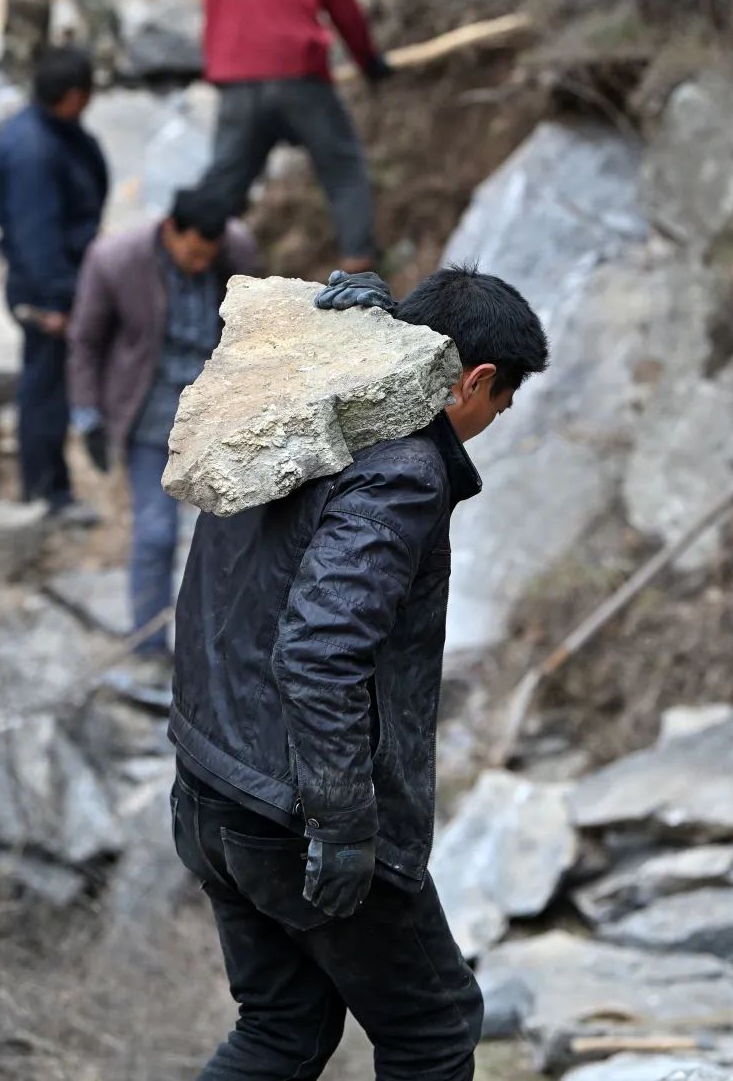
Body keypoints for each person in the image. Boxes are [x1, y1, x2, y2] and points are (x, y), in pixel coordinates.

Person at [169, 264, 549, 1080]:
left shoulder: (302, 401)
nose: (499, 416)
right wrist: (342, 825)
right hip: (292, 814)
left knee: (283, 1027)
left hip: (207, 783)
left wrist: (337, 324)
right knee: (435, 1031)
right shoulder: (403, 468)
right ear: (472, 381)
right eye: (504, 399)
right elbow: (319, 650)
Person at [67, 189, 261, 666]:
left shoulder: (235, 248)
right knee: (155, 533)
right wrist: (87, 414)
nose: (200, 264)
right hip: (150, 413)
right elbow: (85, 341)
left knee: (231, 533)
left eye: (207, 256)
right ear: (171, 229)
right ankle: (149, 646)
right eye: (193, 252)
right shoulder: (115, 260)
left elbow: (259, 320)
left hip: (220, 412)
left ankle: (224, 645)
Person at [201, 0, 392, 273]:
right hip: (297, 74)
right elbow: (341, 5)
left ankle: (194, 269)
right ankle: (358, 269)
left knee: (225, 182)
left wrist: (218, 69)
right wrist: (368, 61)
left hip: (237, 78)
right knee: (342, 166)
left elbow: (213, 2)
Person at [0, 46, 107, 522]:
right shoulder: (32, 151)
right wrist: (55, 300)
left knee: (48, 383)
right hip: (44, 290)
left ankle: (49, 485)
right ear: (74, 95)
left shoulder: (52, 132)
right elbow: (35, 235)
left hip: (62, 276)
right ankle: (46, 492)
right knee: (45, 388)